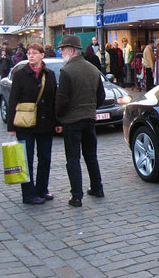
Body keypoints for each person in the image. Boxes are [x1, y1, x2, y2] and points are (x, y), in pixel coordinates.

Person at [7, 43, 61, 205]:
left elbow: (54, 99)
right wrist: (11, 126)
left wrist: (58, 122)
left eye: (34, 53)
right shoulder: (20, 75)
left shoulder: (49, 74)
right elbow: (13, 101)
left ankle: (42, 189)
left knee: (45, 158)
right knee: (26, 159)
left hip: (45, 124)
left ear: (42, 55)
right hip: (25, 125)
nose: (31, 56)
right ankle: (28, 194)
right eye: (29, 53)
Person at [56, 34, 105, 207]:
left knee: (73, 158)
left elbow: (62, 99)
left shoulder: (66, 71)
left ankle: (76, 196)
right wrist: (91, 108)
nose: (60, 52)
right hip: (89, 119)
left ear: (71, 50)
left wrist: (59, 118)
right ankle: (97, 187)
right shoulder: (93, 69)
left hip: (72, 121)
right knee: (91, 155)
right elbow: (101, 96)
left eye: (62, 49)